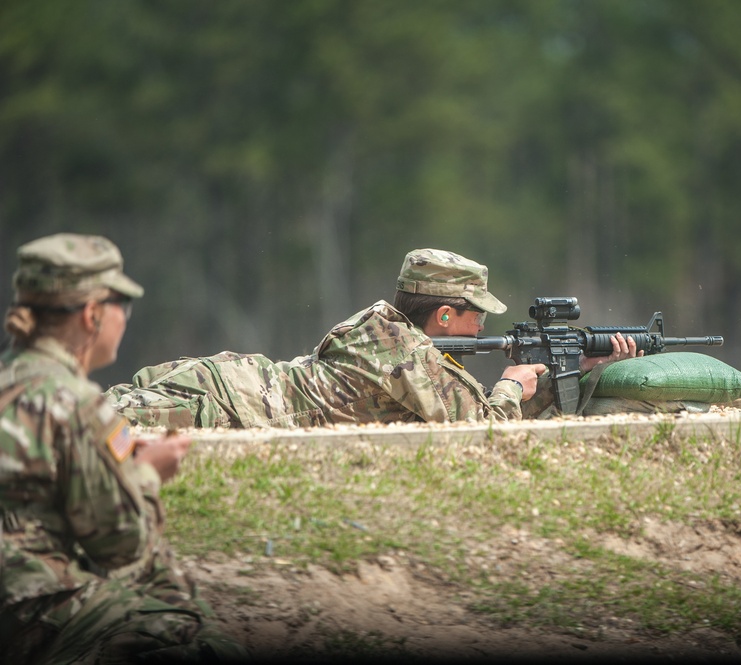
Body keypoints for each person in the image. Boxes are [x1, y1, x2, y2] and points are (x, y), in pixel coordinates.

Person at [0, 233, 245, 664]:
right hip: (29, 611)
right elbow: (121, 544)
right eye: (121, 305)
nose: (124, 318)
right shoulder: (73, 402)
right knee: (190, 632)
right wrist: (147, 473)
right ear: (92, 314)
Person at [107, 248, 640, 428]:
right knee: (76, 428)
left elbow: (457, 408)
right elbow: (479, 427)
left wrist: (574, 372)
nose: (483, 325)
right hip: (225, 406)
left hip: (222, 385)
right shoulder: (404, 352)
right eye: (475, 314)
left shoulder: (388, 329)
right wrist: (511, 384)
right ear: (446, 315)